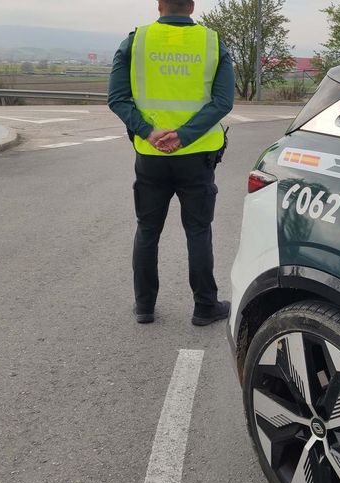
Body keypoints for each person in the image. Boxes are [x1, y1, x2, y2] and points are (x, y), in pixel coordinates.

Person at [108, 0, 234, 326]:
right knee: (198, 230)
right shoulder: (212, 42)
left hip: (151, 157)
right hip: (197, 156)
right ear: (191, 6)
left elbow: (117, 98)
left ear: (159, 4)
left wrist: (148, 132)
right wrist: (184, 135)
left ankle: (144, 306)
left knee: (147, 230)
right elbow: (223, 101)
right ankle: (205, 306)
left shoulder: (135, 41)